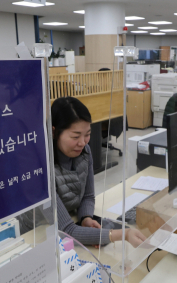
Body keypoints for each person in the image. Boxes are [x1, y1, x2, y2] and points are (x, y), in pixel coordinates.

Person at [50, 97, 146, 247]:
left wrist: (85, 218)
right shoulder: (42, 168)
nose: (82, 142)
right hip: (41, 236)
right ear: (54, 132)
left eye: (87, 134)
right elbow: (67, 231)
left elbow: (87, 196)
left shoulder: (84, 152)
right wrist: (123, 234)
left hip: (70, 222)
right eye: (75, 136)